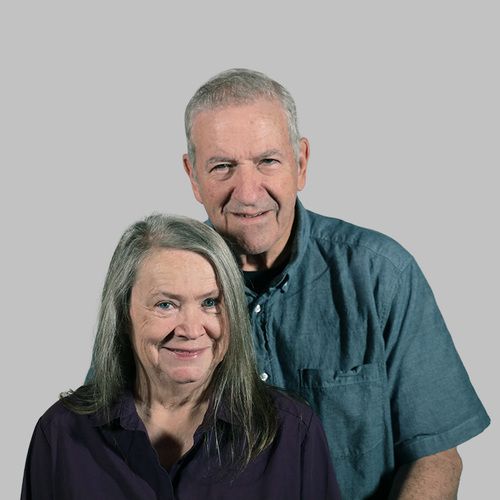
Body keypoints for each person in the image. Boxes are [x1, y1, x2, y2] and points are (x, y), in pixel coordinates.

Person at [181, 68, 491, 499]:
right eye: (222, 167)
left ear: (301, 163)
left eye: (268, 161)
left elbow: (435, 456)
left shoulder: (383, 275)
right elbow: (110, 446)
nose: (248, 192)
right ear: (193, 176)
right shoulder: (154, 289)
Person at [22, 215, 340, 500]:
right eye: (166, 305)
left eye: (210, 302)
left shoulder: (293, 434)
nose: (191, 329)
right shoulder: (61, 434)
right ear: (123, 314)